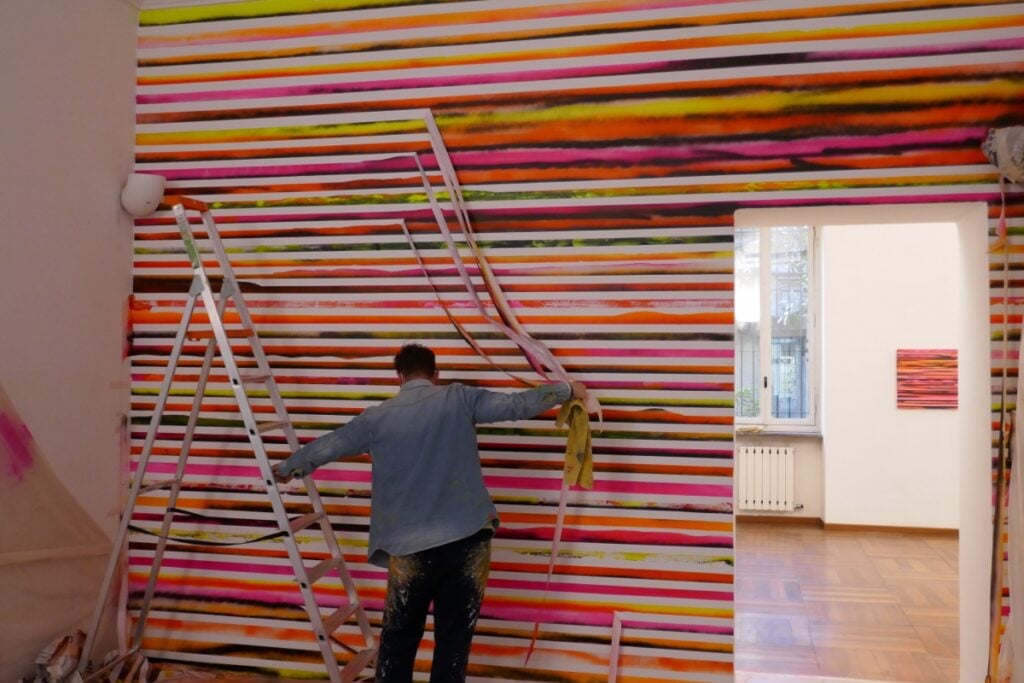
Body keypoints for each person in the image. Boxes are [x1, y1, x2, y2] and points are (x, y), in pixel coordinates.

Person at [273, 343, 587, 682]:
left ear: (399, 377)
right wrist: (566, 390)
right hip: (469, 539)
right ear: (435, 374)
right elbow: (516, 405)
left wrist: (288, 468)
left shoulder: (376, 418)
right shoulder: (459, 398)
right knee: (454, 640)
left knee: (400, 639)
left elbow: (330, 445)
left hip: (411, 547)